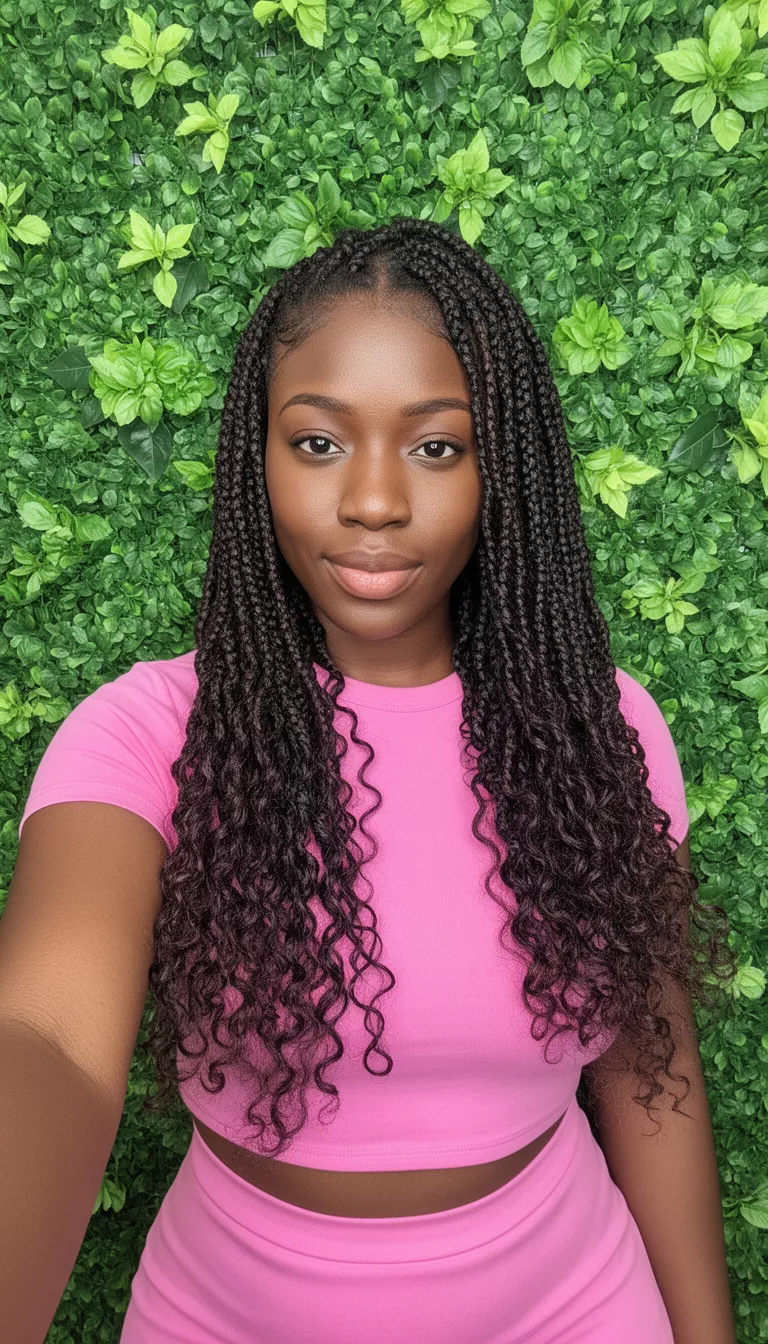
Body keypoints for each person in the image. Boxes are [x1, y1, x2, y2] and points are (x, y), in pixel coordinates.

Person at [3, 218, 736, 1343]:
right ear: (259, 462)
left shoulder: (604, 728)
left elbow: (653, 1064)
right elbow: (46, 1039)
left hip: (571, 1305)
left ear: (506, 470)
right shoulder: (144, 735)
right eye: (318, 444)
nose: (377, 502)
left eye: (437, 446)